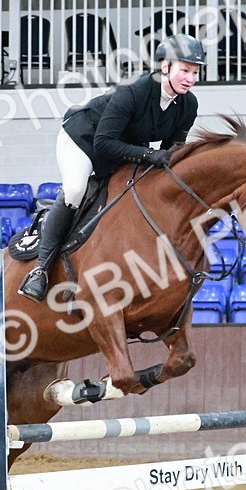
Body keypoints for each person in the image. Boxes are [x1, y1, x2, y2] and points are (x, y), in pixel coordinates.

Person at [18, 33, 205, 301]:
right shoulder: (133, 91)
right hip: (84, 140)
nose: (190, 78)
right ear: (165, 67)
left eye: (195, 72)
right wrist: (150, 154)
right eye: (185, 70)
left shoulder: (188, 105)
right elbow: (104, 143)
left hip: (125, 147)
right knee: (75, 190)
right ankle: (40, 270)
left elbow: (170, 151)